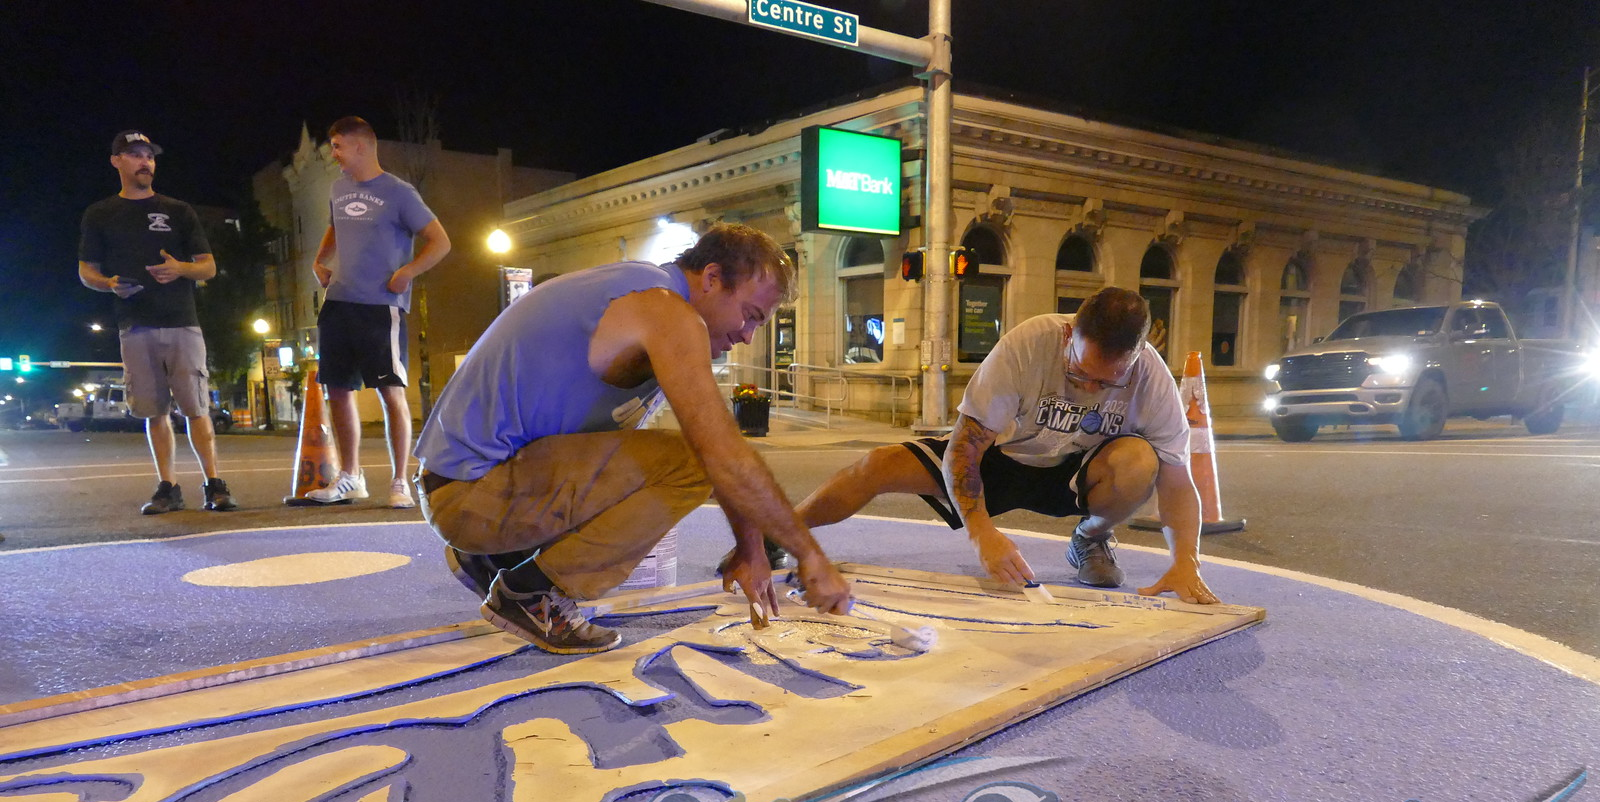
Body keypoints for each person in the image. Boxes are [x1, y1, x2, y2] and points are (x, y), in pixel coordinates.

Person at [414, 223, 852, 654]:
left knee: (659, 453)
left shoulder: (640, 292)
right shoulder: (663, 309)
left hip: (464, 483)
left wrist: (750, 547)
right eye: (750, 315)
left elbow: (712, 444)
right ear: (712, 278)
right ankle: (528, 592)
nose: (746, 335)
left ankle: (498, 557)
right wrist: (810, 556)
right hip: (468, 496)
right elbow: (719, 452)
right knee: (686, 465)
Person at [794, 286, 1219, 604]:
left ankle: (1090, 538)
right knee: (876, 465)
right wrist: (981, 534)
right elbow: (965, 449)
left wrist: (1186, 562)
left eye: (1108, 382)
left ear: (1138, 355)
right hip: (1001, 457)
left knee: (1140, 461)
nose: (1090, 389)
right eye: (1079, 373)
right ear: (1068, 334)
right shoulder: (1028, 344)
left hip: (1076, 470)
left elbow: (1177, 480)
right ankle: (781, 533)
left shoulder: (1151, 377)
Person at [78, 131, 236, 515]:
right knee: (154, 411)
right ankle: (168, 487)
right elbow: (86, 271)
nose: (145, 161)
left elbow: (208, 267)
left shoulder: (178, 210)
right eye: (135, 154)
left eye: (149, 155)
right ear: (116, 161)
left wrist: (180, 268)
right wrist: (109, 284)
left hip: (182, 322)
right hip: (135, 325)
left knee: (197, 407)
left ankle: (214, 484)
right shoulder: (99, 213)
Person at [306, 116, 451, 508]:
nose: (334, 155)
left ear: (360, 146)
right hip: (339, 303)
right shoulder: (338, 188)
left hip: (381, 306)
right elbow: (335, 226)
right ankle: (350, 477)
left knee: (391, 392)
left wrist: (409, 272)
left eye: (338, 146)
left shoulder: (399, 192)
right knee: (338, 390)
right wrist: (320, 261)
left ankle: (400, 481)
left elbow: (440, 241)